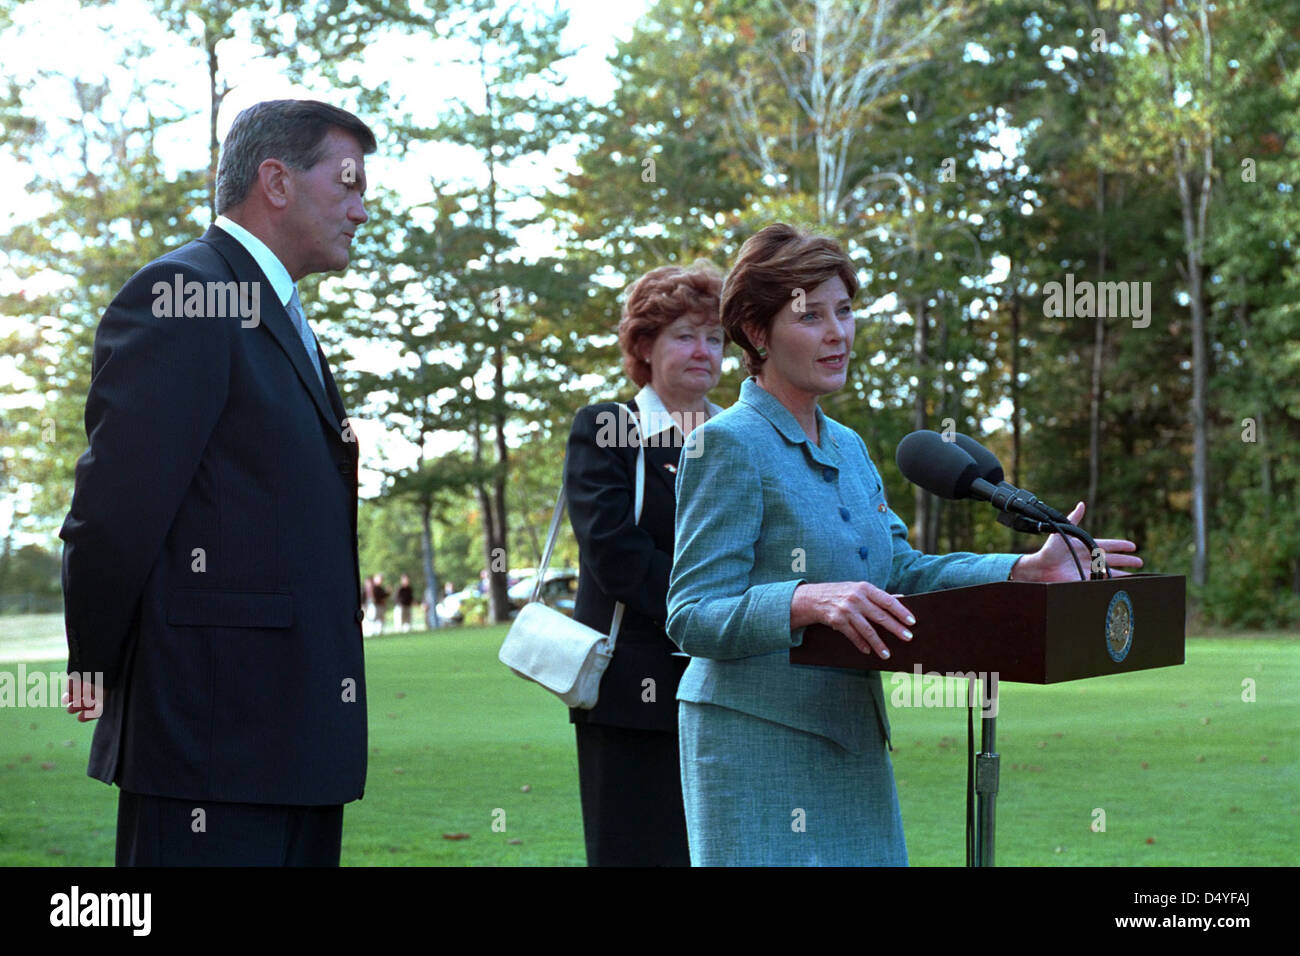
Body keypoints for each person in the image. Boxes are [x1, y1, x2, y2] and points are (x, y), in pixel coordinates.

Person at [666, 224, 1143, 866]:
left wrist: (1023, 570)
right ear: (756, 332)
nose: (838, 332)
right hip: (756, 742)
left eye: (846, 310)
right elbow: (691, 613)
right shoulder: (727, 443)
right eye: (812, 316)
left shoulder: (851, 450)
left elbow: (901, 571)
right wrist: (802, 600)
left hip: (851, 738)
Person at [59, 99, 376, 866]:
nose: (362, 211)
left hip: (295, 742)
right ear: (276, 181)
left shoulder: (280, 313)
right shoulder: (184, 295)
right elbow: (114, 511)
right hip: (213, 739)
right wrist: (93, 658)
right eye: (349, 185)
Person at [563, 262, 727, 866]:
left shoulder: (739, 438)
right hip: (633, 695)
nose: (703, 351)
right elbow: (616, 554)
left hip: (729, 690)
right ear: (644, 345)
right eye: (685, 334)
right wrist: (712, 611)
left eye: (715, 338)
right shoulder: (610, 428)